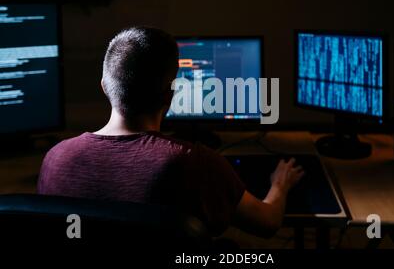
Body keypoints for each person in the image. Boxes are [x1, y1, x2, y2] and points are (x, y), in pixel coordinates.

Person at [37, 27, 304, 237]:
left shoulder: (56, 158)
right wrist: (280, 183)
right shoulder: (195, 163)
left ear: (105, 88)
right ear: (170, 95)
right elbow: (268, 225)